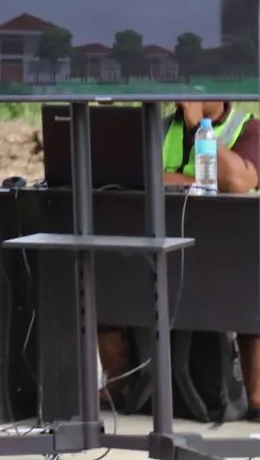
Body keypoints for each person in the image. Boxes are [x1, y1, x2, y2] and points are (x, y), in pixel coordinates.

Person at [98, 101, 260, 415]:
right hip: (162, 243)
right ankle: (119, 383)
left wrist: (198, 126)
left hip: (230, 250)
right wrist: (192, 182)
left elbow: (238, 182)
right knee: (104, 269)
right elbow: (132, 175)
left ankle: (256, 393)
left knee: (252, 280)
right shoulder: (158, 128)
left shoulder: (248, 129)